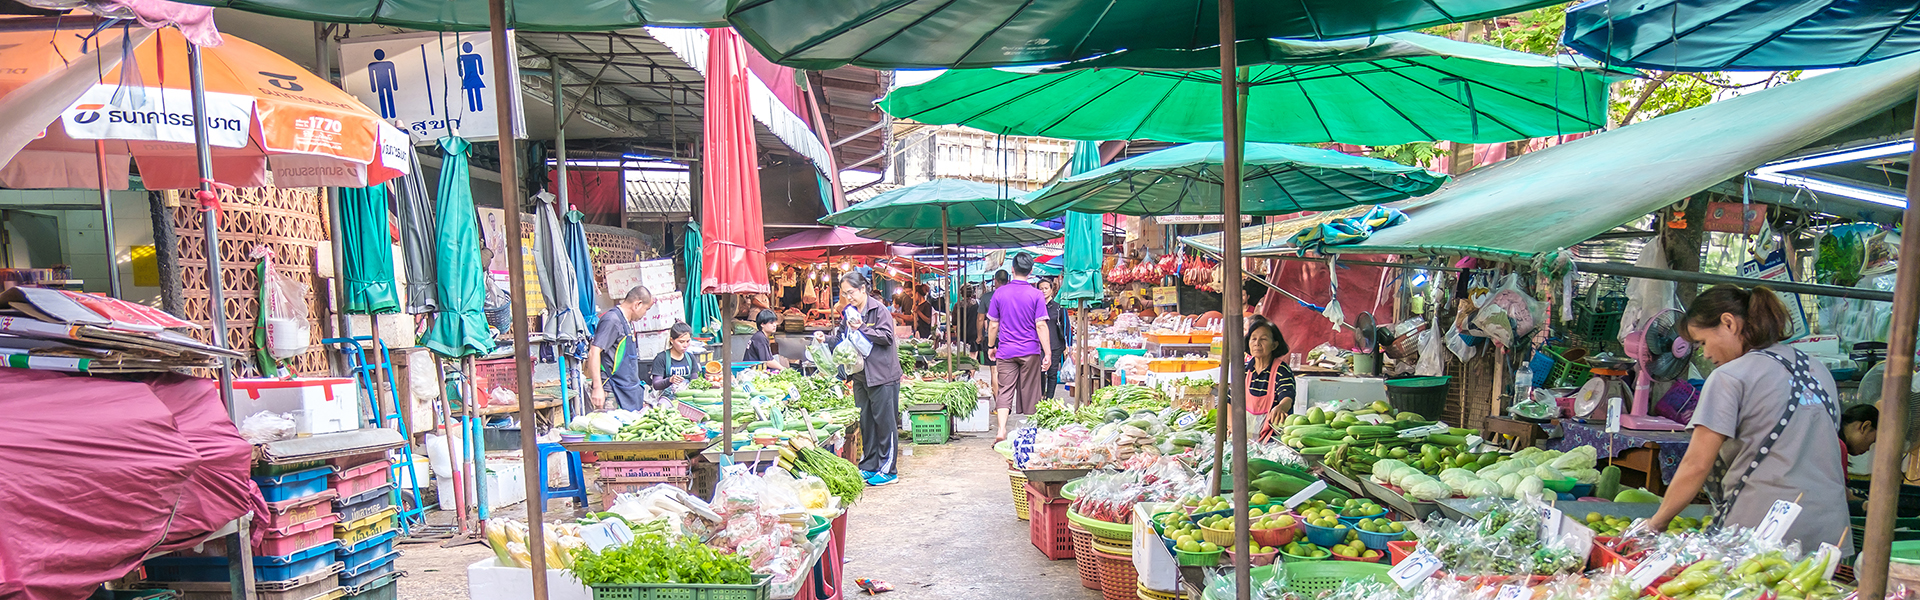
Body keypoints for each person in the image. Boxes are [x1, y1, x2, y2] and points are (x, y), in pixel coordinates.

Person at [1642, 285, 1850, 555]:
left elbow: (1696, 464)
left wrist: (1657, 524)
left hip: (1762, 534)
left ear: (1728, 323)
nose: (1704, 354)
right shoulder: (1819, 370)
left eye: (1703, 342)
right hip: (1831, 535)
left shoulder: (1729, 377)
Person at [818, 272, 903, 486]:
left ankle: (888, 470)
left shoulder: (878, 310)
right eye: (845, 294)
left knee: (885, 423)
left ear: (863, 289)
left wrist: (862, 328)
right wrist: (825, 339)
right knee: (867, 422)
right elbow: (841, 339)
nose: (848, 297)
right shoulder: (849, 312)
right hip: (860, 375)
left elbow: (886, 337)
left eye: (851, 292)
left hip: (882, 375)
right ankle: (869, 465)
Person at [987, 254, 1051, 442]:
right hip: (1030, 351)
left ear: (1012, 269)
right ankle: (1031, 432)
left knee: (1005, 390)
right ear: (1031, 272)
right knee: (1031, 390)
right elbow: (1041, 325)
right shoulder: (1037, 294)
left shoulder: (1000, 293)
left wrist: (991, 346)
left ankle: (1001, 430)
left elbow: (992, 325)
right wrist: (1047, 353)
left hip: (1006, 351)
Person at [587, 285, 654, 411]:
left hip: (627, 390)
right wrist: (597, 387)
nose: (645, 314)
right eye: (646, 309)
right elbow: (594, 352)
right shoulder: (612, 320)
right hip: (612, 390)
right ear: (637, 304)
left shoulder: (627, 322)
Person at [1243, 319, 1296, 441]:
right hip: (1246, 438)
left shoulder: (1281, 370)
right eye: (1253, 338)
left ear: (1274, 345)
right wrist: (1230, 426)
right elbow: (1231, 400)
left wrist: (1281, 407)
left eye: (1263, 339)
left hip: (1273, 439)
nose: (1257, 343)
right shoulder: (1245, 370)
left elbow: (1287, 396)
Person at [1038, 278, 1069, 399]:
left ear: (1051, 290)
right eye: (1041, 289)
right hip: (1039, 346)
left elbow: (1066, 325)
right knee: (1039, 373)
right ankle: (1040, 397)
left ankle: (1049, 399)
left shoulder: (1059, 307)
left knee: (1052, 374)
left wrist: (1068, 345)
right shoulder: (1035, 306)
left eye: (1046, 288)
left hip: (1055, 344)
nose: (1044, 291)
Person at [649, 322, 700, 393]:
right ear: (671, 340)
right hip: (667, 398)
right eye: (681, 342)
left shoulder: (690, 357)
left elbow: (695, 380)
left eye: (688, 341)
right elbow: (656, 384)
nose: (685, 345)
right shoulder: (661, 358)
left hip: (687, 396)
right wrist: (669, 380)